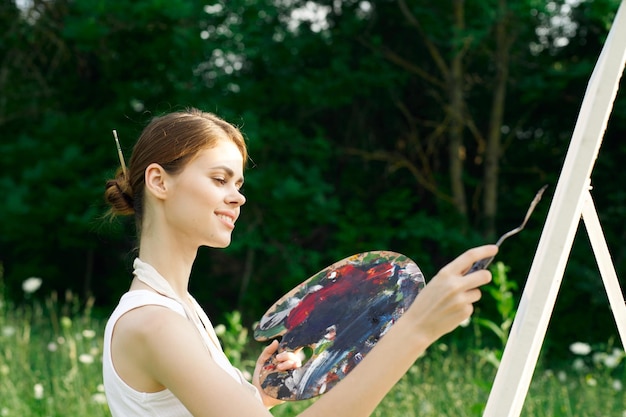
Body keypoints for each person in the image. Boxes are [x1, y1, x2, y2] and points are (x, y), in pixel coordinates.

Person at [102, 108, 498, 417]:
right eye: (220, 179)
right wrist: (414, 331)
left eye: (239, 185)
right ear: (158, 181)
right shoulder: (155, 323)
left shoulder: (180, 311)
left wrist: (256, 396)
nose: (238, 197)